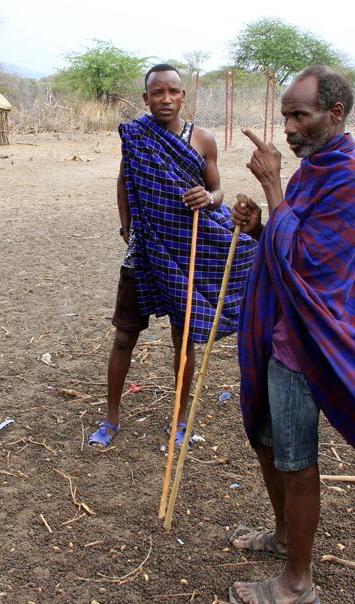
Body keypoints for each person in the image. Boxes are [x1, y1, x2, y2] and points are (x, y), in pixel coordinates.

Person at [227, 66, 355, 604]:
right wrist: (257, 224)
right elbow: (285, 235)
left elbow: (311, 262)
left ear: (336, 114)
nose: (289, 128)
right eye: (285, 117)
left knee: (297, 458)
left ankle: (298, 581)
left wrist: (272, 186)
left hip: (309, 339)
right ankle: (280, 538)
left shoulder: (348, 174)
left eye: (300, 115)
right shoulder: (312, 167)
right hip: (280, 328)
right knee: (269, 443)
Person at [87, 64, 256, 449]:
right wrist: (126, 226)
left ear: (183, 96)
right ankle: (111, 417)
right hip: (144, 249)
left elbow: (217, 191)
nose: (166, 99)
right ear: (146, 99)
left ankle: (180, 419)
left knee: (184, 341)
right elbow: (123, 180)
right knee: (125, 334)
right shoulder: (135, 137)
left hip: (187, 250)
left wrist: (208, 198)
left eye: (173, 92)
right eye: (157, 93)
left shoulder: (202, 140)